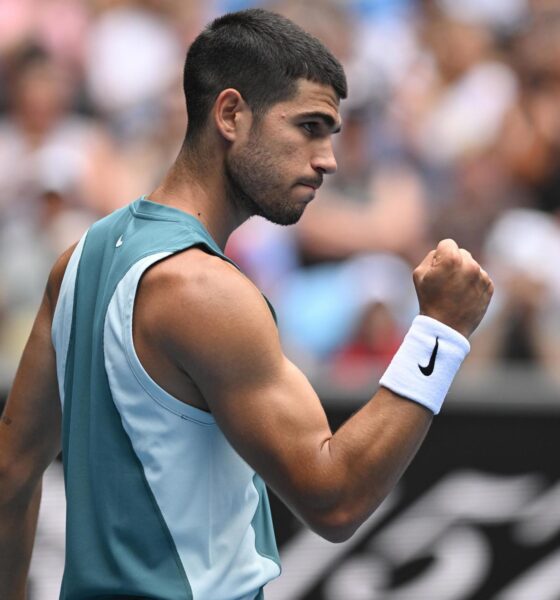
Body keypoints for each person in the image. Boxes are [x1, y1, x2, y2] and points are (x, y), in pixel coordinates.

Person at [0, 8, 493, 600]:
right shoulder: (203, 289)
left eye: (330, 134)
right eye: (308, 127)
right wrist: (441, 330)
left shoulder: (77, 261)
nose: (327, 159)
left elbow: (12, 475)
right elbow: (334, 499)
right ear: (231, 114)